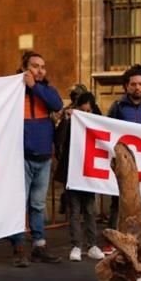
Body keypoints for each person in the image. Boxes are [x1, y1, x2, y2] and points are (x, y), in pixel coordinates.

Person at [9, 51, 64, 267]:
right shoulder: (13, 91)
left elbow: (57, 104)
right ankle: (19, 247)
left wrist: (34, 86)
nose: (39, 70)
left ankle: (39, 245)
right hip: (21, 156)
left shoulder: (45, 90)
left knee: (38, 204)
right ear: (24, 68)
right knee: (19, 204)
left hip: (44, 157)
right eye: (34, 66)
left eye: (42, 66)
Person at [54, 91, 106, 262]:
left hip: (90, 172)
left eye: (88, 111)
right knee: (74, 210)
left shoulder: (99, 122)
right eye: (82, 111)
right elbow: (59, 140)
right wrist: (66, 121)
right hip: (72, 171)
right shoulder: (69, 121)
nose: (86, 114)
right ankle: (76, 245)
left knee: (90, 210)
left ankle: (92, 245)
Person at [107, 64, 141, 228]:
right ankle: (114, 239)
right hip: (125, 163)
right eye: (133, 84)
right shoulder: (117, 107)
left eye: (140, 84)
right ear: (126, 86)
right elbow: (106, 129)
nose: (137, 87)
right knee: (119, 200)